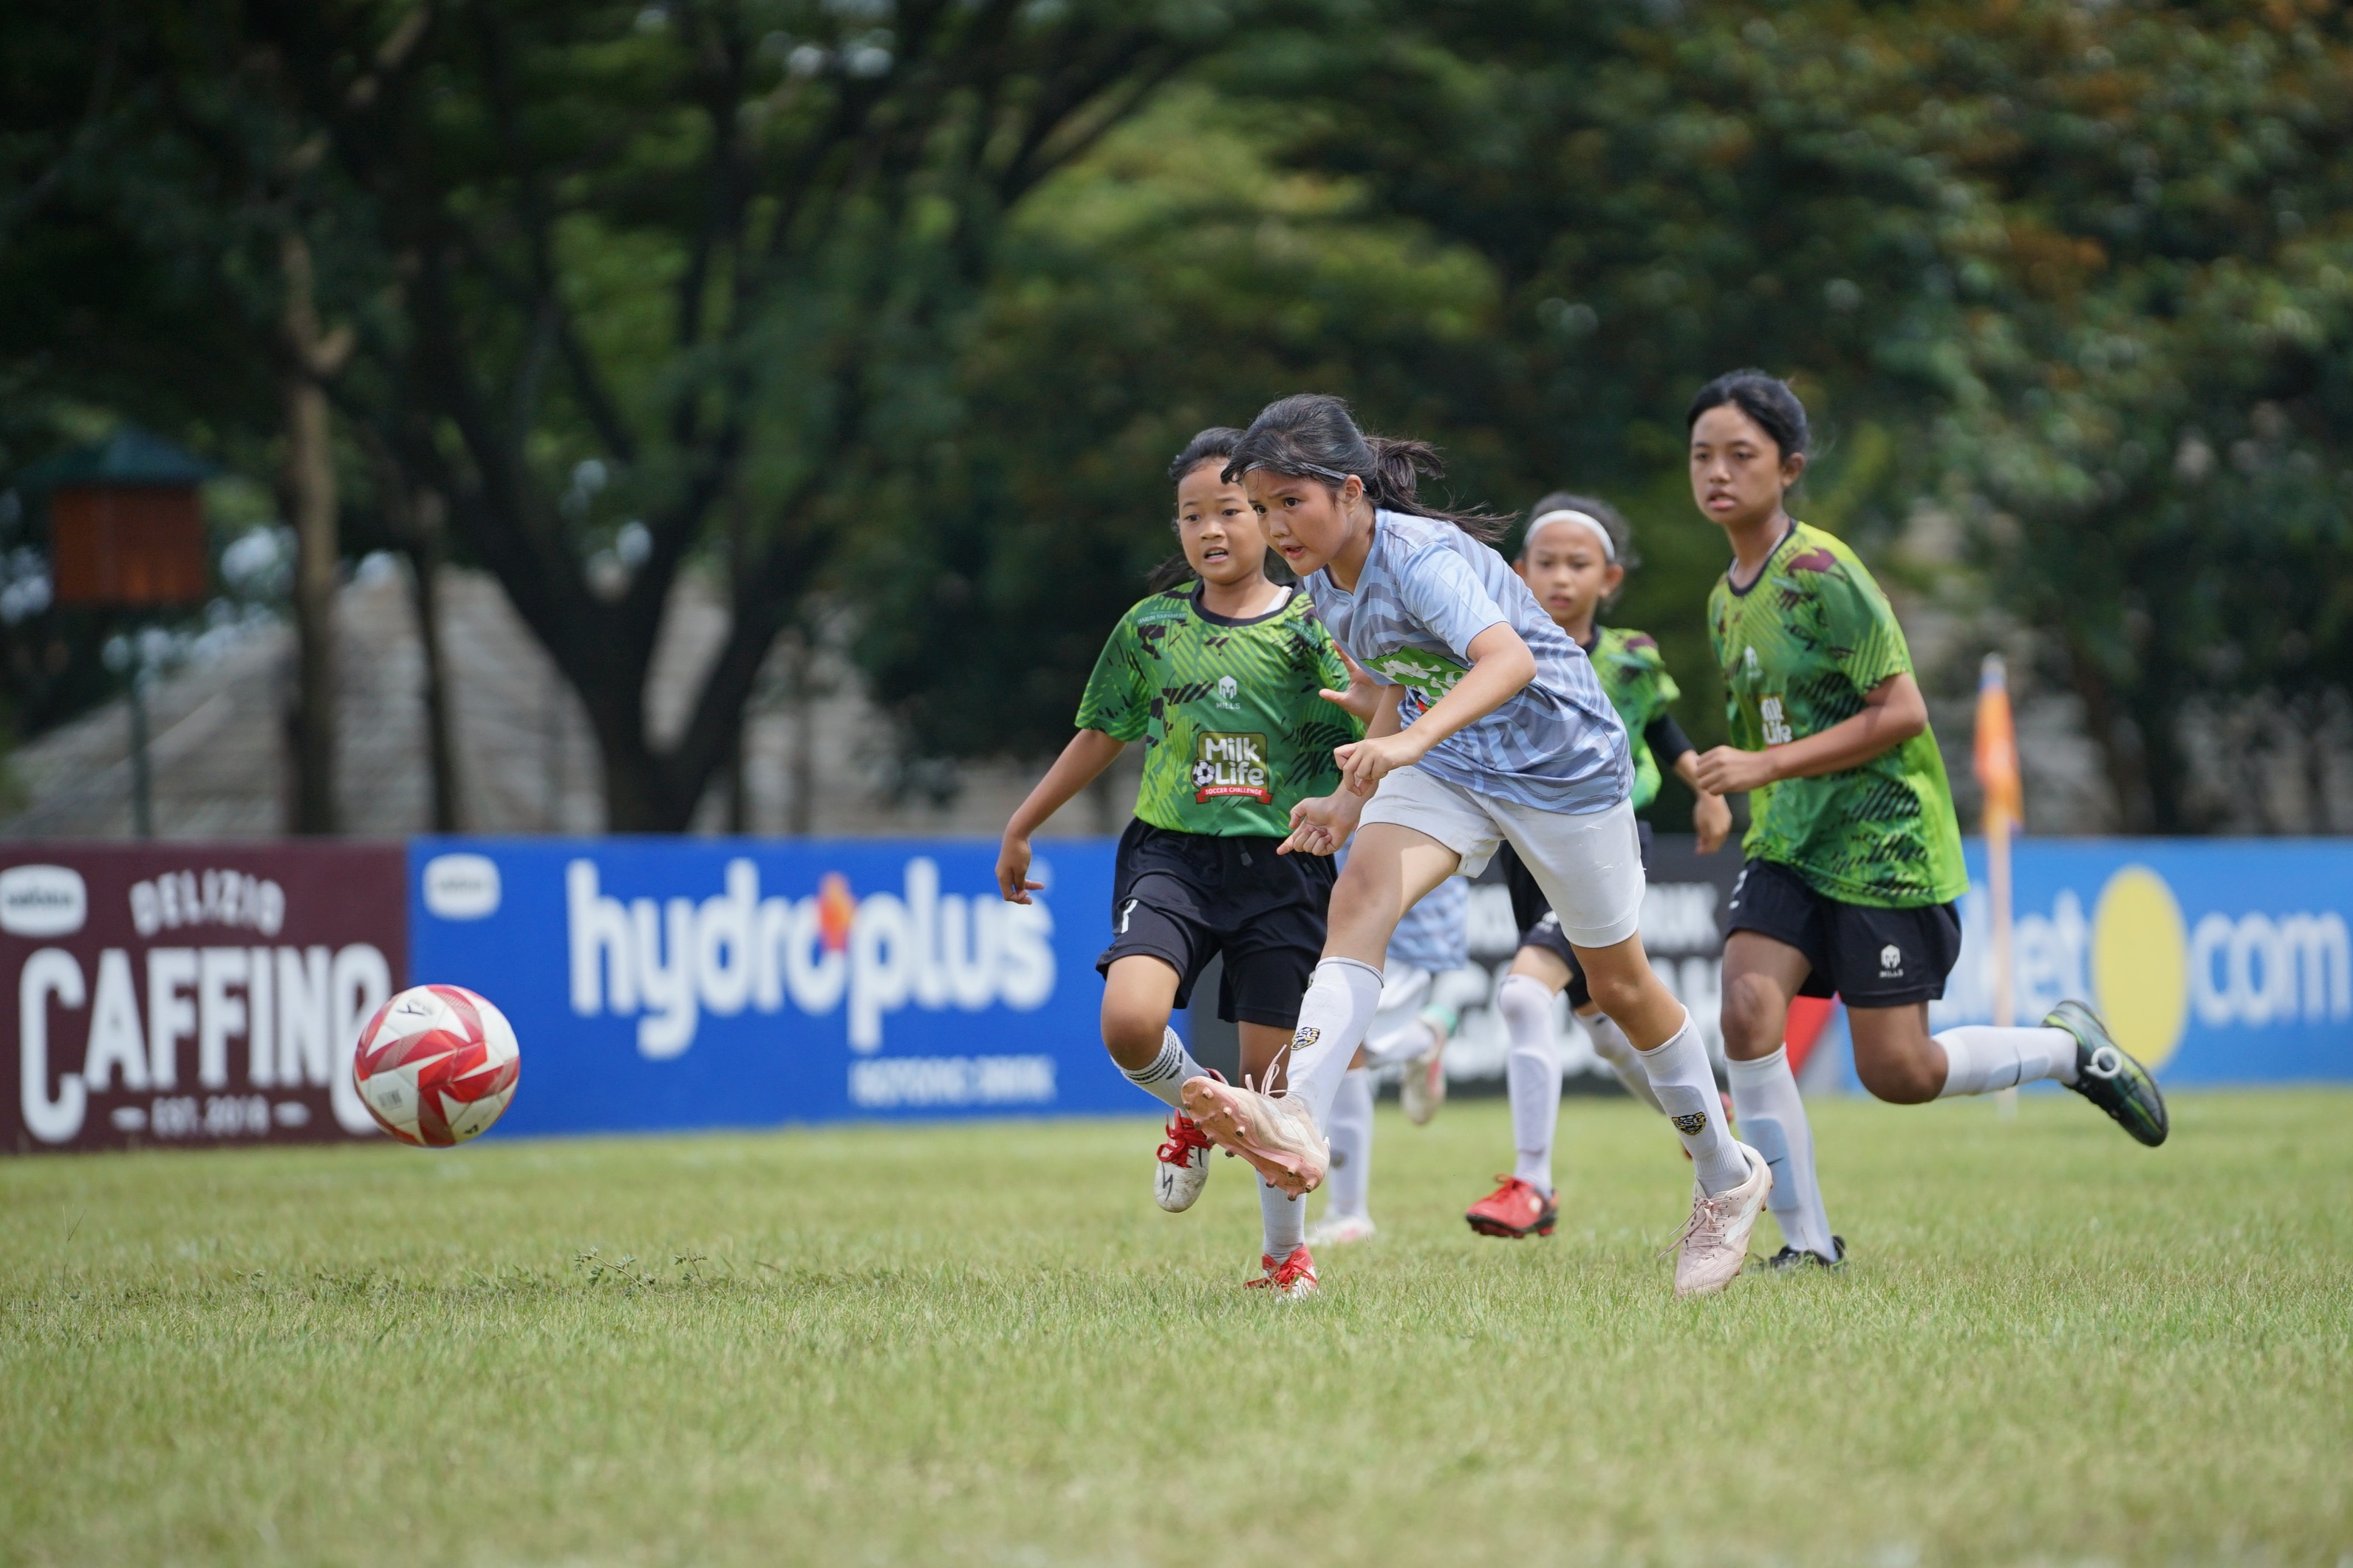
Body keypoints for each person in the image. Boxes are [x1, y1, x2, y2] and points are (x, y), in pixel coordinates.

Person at [1180, 392, 1775, 1300]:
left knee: (1617, 986)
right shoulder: (1322, 582)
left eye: (1286, 502)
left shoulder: (1415, 555)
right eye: (1259, 507)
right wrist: (1348, 799)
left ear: (1347, 490)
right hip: (1455, 761)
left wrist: (1403, 743)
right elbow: (1397, 680)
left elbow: (1508, 663)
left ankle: (1726, 1179)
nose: (1271, 525)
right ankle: (1297, 1114)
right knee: (1358, 899)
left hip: (1563, 769)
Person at [1684, 369, 2169, 1272]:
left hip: (1882, 843)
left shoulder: (1824, 572)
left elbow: (1901, 710)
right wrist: (1724, 784)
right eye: (1701, 455)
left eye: (1739, 455)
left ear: (1787, 467)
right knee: (1747, 1009)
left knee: (1896, 1073)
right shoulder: (1723, 599)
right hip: (1789, 839)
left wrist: (1763, 765)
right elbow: (1764, 734)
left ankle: (2066, 1050)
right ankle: (1805, 1244)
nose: (1716, 472)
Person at [995, 427, 1359, 1300]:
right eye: (1191, 514)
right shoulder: (1150, 628)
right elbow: (1101, 731)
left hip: (1287, 863)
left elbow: (1373, 725)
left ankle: (1284, 1260)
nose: (1210, 530)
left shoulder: (1317, 622)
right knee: (1128, 1022)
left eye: (1230, 510)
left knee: (1276, 1085)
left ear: (1268, 517)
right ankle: (1196, 1106)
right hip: (1172, 856)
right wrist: (1022, 821)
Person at [1469, 494, 1736, 1241]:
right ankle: (1716, 1128)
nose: (1558, 577)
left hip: (1605, 845)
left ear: (1607, 577)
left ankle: (1533, 1185)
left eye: (1575, 563)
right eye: (1543, 563)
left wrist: (1703, 790)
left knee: (1524, 995)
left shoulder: (1627, 655)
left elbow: (1658, 720)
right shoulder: (1496, 653)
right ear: (1517, 572)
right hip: (1527, 858)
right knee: (1609, 1025)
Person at [1305, 874, 1483, 1247]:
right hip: (1349, 903)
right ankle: (1426, 1037)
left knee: (1339, 1040)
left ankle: (1349, 1213)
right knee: (1333, 1040)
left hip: (1401, 908)